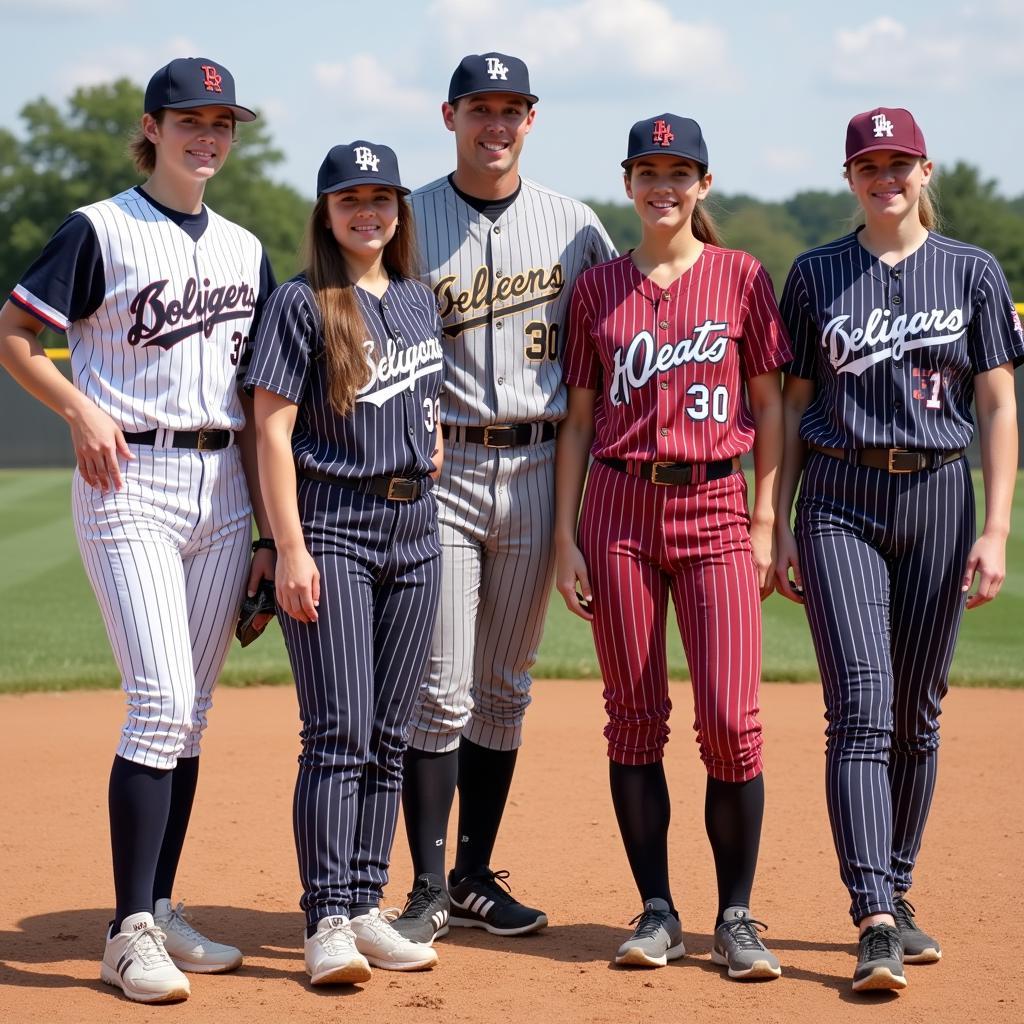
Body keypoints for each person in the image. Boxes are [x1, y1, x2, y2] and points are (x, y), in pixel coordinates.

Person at [0, 58, 276, 1003]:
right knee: (159, 702)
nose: (208, 137)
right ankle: (127, 932)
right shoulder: (100, 230)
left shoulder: (245, 249)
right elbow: (14, 336)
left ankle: (158, 910)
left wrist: (272, 539)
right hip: (130, 480)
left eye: (222, 123)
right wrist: (78, 411)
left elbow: (261, 396)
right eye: (190, 121)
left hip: (226, 487)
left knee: (189, 716)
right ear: (152, 128)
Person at [775, 107, 1023, 993]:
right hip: (841, 496)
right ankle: (873, 911)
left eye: (900, 163)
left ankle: (899, 885)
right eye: (869, 164)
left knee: (919, 709)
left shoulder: (973, 273)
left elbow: (996, 403)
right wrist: (778, 524)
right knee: (865, 705)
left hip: (939, 494)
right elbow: (792, 408)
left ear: (926, 171)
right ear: (850, 177)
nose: (886, 177)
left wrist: (995, 527)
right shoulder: (815, 275)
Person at [554, 114, 790, 978]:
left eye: (679, 171)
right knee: (635, 720)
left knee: (731, 723)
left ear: (703, 184)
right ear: (627, 182)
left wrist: (768, 520)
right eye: (649, 171)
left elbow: (769, 407)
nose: (664, 186)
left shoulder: (740, 278)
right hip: (617, 510)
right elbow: (577, 422)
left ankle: (736, 915)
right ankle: (657, 909)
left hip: (715, 505)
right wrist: (564, 536)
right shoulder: (599, 289)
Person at [391, 52, 616, 943]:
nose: (496, 123)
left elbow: (625, 332)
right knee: (441, 690)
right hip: (441, 478)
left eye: (512, 108)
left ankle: (475, 875)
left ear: (533, 119)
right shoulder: (406, 218)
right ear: (450, 115)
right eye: (480, 107)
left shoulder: (575, 227)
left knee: (502, 690)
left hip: (537, 471)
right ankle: (425, 885)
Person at [246, 142, 444, 984]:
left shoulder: (416, 300)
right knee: (339, 731)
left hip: (416, 528)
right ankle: (327, 914)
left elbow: (425, 404)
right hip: (334, 526)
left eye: (382, 197)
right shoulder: (301, 303)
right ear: (325, 211)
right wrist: (287, 546)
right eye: (350, 199)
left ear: (399, 208)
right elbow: (271, 431)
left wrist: (425, 440)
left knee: (390, 735)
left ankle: (366, 902)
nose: (368, 212)